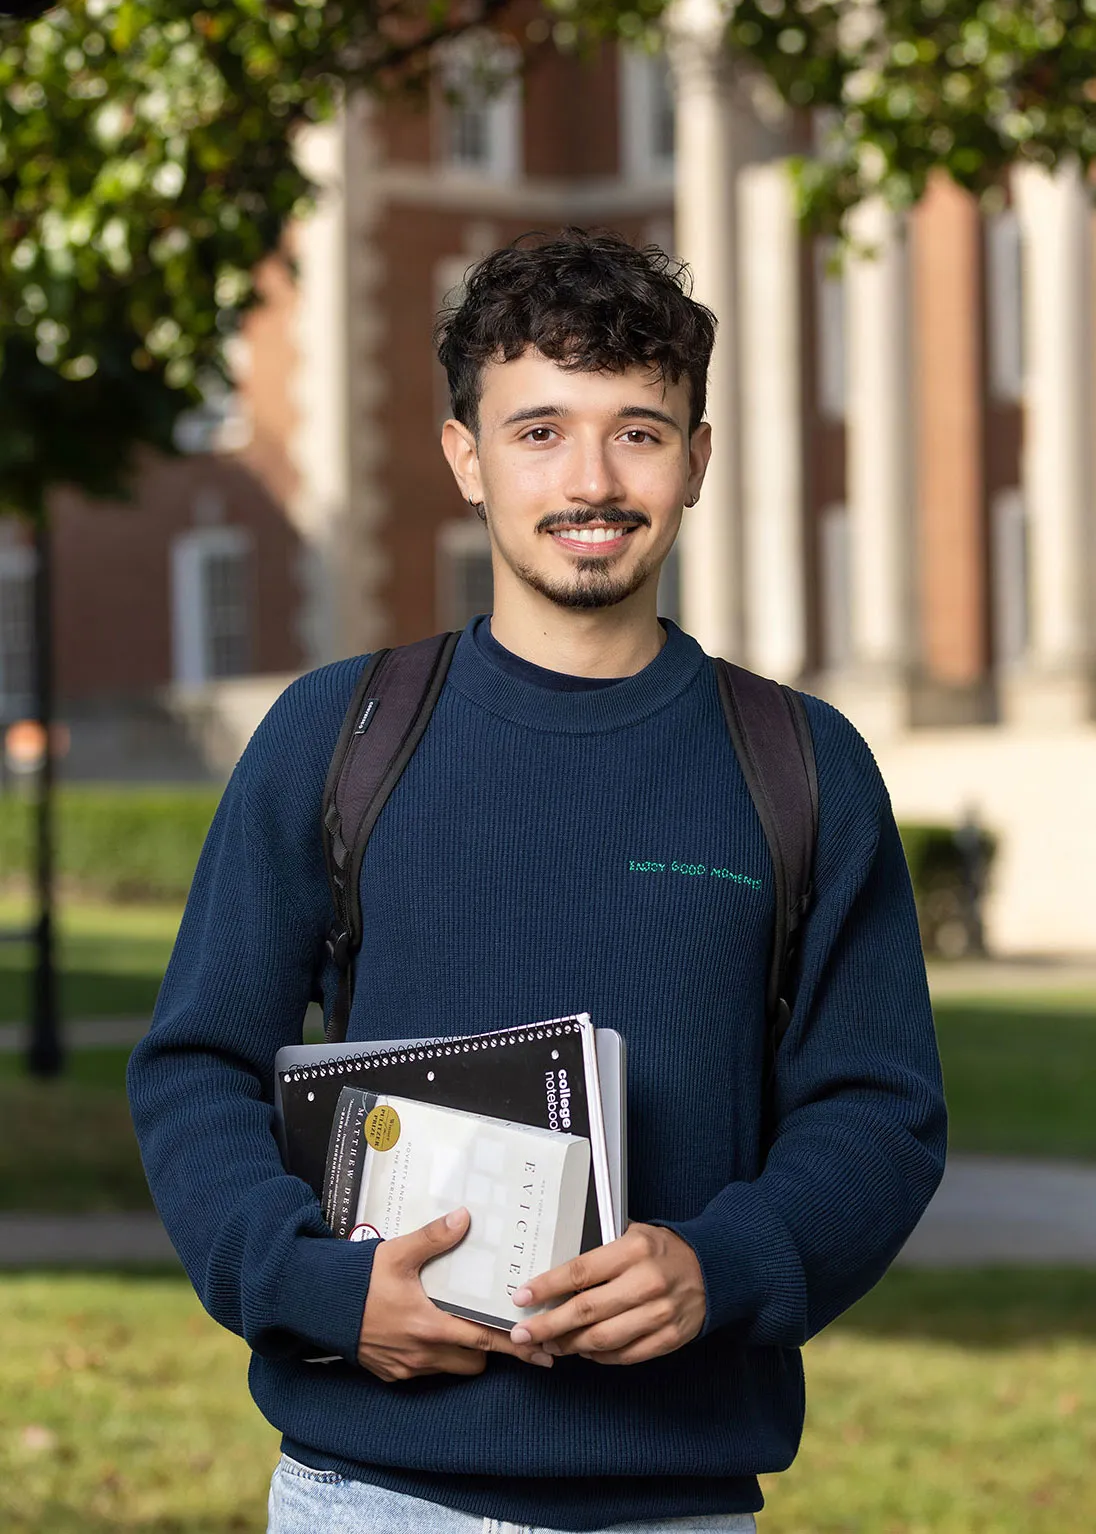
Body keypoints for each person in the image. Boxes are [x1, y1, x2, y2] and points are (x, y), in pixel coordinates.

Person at [128, 229, 947, 1534]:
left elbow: (879, 1108)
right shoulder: (337, 735)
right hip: (370, 1493)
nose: (591, 479)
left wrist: (724, 1265)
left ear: (698, 458)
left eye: (638, 430)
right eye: (539, 430)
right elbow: (195, 1066)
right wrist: (320, 1289)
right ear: (467, 458)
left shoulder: (802, 764)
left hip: (673, 1499)